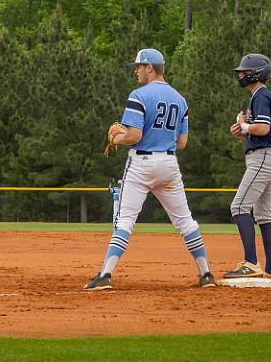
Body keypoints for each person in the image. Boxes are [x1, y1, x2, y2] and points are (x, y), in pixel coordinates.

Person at [84, 48, 214, 290]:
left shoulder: (139, 95)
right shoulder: (180, 99)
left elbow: (134, 135)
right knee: (185, 221)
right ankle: (206, 273)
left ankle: (105, 275)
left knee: (125, 221)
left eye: (138, 66)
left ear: (150, 68)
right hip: (169, 163)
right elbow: (182, 142)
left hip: (142, 164)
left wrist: (115, 138)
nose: (136, 71)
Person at [224, 54, 271, 283]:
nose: (240, 74)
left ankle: (251, 263)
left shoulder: (261, 95)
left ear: (256, 73)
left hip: (264, 158)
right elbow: (258, 130)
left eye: (244, 71)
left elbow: (262, 128)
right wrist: (244, 130)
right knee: (264, 216)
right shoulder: (260, 96)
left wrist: (245, 126)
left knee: (239, 206)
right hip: (269, 156)